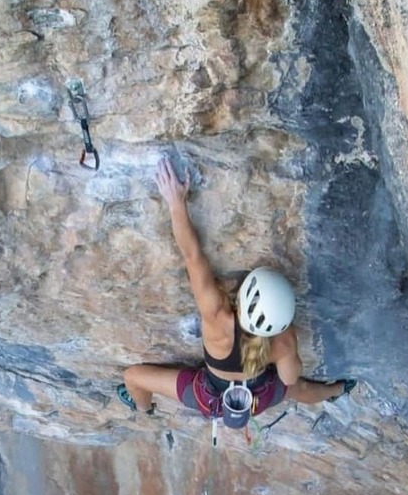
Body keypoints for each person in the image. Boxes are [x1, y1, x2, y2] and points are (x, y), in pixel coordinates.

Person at [117, 158, 355, 419]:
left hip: (209, 395)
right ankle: (337, 389)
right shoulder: (283, 341)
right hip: (257, 397)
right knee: (301, 390)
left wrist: (176, 203)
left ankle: (143, 408)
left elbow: (192, 256)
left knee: (132, 377)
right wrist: (287, 347)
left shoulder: (218, 317)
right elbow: (290, 379)